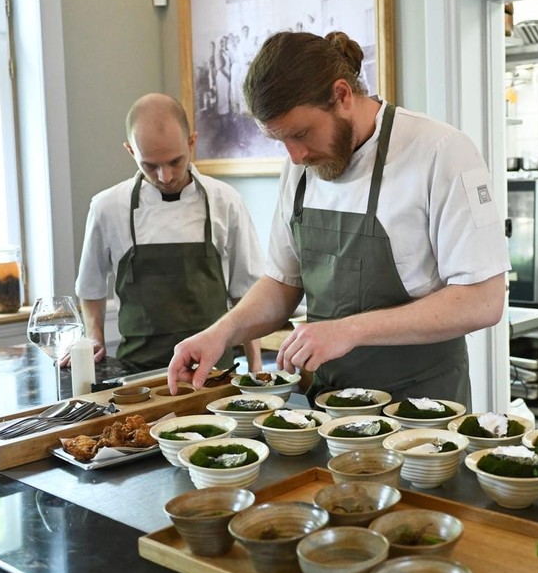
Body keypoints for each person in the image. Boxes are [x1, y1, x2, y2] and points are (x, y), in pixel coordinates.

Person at [168, 31, 510, 406]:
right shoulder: (299, 168)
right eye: (281, 141)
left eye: (301, 133)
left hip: (422, 410)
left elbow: (483, 300)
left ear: (343, 95)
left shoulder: (441, 152)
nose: (295, 156)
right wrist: (220, 334)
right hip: (329, 407)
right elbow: (282, 283)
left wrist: (350, 330)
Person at [74, 93, 264, 373]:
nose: (166, 176)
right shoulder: (107, 207)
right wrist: (94, 339)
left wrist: (256, 367)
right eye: (150, 165)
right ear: (131, 151)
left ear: (191, 142)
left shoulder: (226, 201)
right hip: (137, 377)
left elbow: (245, 292)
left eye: (175, 161)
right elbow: (91, 287)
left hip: (215, 374)